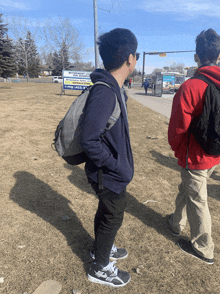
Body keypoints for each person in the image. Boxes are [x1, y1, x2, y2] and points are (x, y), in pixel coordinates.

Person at [81, 28, 139, 287]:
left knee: (107, 212)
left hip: (110, 172)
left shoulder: (114, 87)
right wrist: (116, 166)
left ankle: (100, 249)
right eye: (135, 55)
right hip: (108, 174)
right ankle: (100, 267)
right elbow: (89, 140)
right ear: (130, 58)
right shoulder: (105, 91)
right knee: (112, 214)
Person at [168, 28, 220, 265]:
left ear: (197, 56)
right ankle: (175, 222)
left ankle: (203, 247)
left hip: (196, 156)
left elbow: (178, 128)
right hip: (215, 154)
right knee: (187, 187)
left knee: (198, 199)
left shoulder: (191, 86)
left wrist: (179, 151)